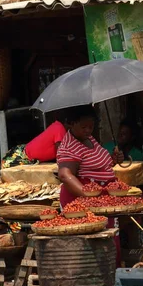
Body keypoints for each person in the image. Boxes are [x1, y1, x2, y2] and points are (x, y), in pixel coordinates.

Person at [57, 107, 124, 263]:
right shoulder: (69, 146)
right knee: (95, 249)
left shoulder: (89, 139)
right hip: (82, 202)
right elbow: (65, 175)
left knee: (110, 242)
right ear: (71, 124)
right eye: (84, 127)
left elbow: (95, 164)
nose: (88, 130)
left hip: (102, 199)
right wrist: (90, 195)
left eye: (91, 126)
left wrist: (113, 159)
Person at [1, 120, 67, 168]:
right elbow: (61, 155)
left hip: (26, 155)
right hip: (22, 155)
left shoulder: (59, 128)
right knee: (4, 167)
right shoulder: (60, 129)